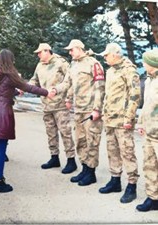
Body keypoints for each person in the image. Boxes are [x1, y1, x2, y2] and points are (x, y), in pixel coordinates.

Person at [0, 49, 55, 193]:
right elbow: (28, 87)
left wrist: (15, 92)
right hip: (3, 112)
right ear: (9, 60)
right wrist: (47, 92)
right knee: (1, 149)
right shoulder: (9, 74)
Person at [56, 39, 105, 186]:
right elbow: (69, 83)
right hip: (78, 109)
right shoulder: (73, 65)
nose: (69, 53)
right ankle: (84, 168)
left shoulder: (93, 63)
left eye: (71, 50)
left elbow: (100, 87)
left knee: (92, 141)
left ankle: (91, 172)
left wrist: (97, 108)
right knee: (80, 140)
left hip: (90, 110)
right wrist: (67, 97)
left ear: (79, 48)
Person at [98, 43, 140, 204]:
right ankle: (115, 180)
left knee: (127, 152)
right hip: (110, 119)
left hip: (123, 120)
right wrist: (103, 112)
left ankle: (132, 185)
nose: (105, 57)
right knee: (112, 151)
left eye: (107, 55)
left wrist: (129, 118)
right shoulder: (111, 70)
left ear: (115, 55)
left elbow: (135, 96)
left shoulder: (129, 71)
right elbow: (108, 95)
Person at [29, 43, 76, 173]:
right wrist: (24, 88)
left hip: (60, 105)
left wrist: (69, 98)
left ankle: (71, 160)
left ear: (47, 51)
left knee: (65, 132)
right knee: (51, 133)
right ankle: (54, 157)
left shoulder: (61, 63)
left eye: (40, 52)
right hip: (46, 105)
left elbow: (70, 81)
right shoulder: (39, 65)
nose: (38, 55)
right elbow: (34, 81)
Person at [135, 49, 158, 211]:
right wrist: (140, 123)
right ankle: (153, 198)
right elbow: (145, 105)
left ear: (152, 64)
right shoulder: (149, 80)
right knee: (149, 165)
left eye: (145, 62)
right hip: (149, 132)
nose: (143, 64)